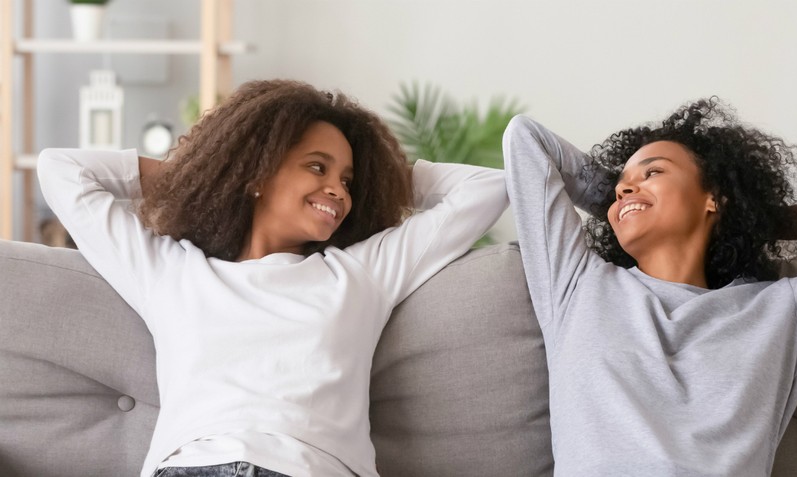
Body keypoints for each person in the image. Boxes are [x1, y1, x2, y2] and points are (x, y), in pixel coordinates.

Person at [38, 79, 507, 477]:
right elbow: (61, 169)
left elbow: (489, 189)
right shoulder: (170, 270)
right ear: (258, 172)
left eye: (347, 180)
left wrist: (379, 181)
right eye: (317, 167)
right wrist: (210, 171)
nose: (337, 190)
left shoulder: (364, 272)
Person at [502, 97, 797, 476]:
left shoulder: (788, 310)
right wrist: (626, 200)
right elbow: (526, 138)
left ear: (713, 198)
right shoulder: (575, 285)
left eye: (654, 171)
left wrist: (770, 220)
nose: (625, 187)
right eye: (620, 184)